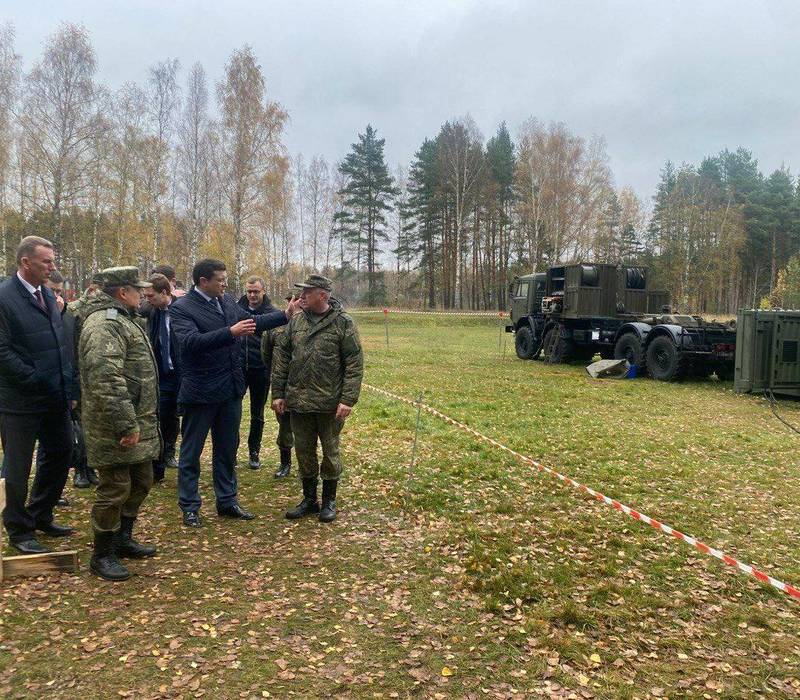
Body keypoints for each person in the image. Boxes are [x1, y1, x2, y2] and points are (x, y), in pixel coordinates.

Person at [170, 258, 300, 528]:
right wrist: (229, 332)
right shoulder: (182, 309)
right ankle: (190, 506)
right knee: (192, 452)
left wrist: (285, 315)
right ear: (203, 281)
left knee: (227, 449)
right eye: (220, 279)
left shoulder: (227, 301)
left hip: (230, 390)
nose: (225, 283)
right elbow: (189, 343)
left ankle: (227, 501)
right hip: (200, 392)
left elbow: (251, 321)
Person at [79, 266, 160, 581]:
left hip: (136, 421)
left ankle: (123, 538)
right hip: (114, 425)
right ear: (123, 292)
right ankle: (102, 554)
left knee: (141, 481)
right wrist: (126, 424)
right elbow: (106, 379)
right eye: (138, 289)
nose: (143, 295)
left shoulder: (125, 320)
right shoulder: (105, 325)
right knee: (114, 488)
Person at [0, 236, 74, 554]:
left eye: (53, 260)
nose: (52, 267)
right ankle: (18, 530)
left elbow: (59, 342)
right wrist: (33, 378)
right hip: (19, 399)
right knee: (17, 466)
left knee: (62, 451)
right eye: (47, 261)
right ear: (25, 262)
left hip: (54, 395)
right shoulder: (4, 297)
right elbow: (2, 351)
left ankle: (40, 513)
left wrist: (66, 384)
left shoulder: (46, 294)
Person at [271, 274, 363, 523]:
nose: (300, 298)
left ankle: (329, 501)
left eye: (306, 293)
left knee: (330, 452)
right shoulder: (296, 322)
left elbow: (354, 363)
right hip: (299, 403)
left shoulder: (343, 323)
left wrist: (347, 399)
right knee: (304, 451)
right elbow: (281, 358)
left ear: (322, 295)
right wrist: (278, 393)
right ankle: (310, 499)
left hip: (329, 404)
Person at [142, 274, 180, 482]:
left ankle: (176, 456)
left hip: (183, 376)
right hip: (163, 376)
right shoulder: (151, 311)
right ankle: (158, 467)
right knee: (161, 419)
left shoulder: (182, 310)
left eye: (151, 295)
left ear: (165, 293)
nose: (147, 299)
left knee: (180, 419)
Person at [237, 275, 277, 470]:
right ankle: (231, 451)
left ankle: (254, 451)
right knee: (232, 412)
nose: (252, 295)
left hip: (260, 369)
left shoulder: (272, 314)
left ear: (264, 291)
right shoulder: (236, 309)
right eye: (249, 291)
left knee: (257, 413)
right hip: (237, 369)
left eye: (256, 291)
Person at [261, 292, 295, 478]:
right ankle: (285, 463)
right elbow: (266, 356)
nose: (296, 303)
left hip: (308, 387)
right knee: (285, 426)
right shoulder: (275, 326)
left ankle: (308, 466)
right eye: (292, 300)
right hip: (282, 385)